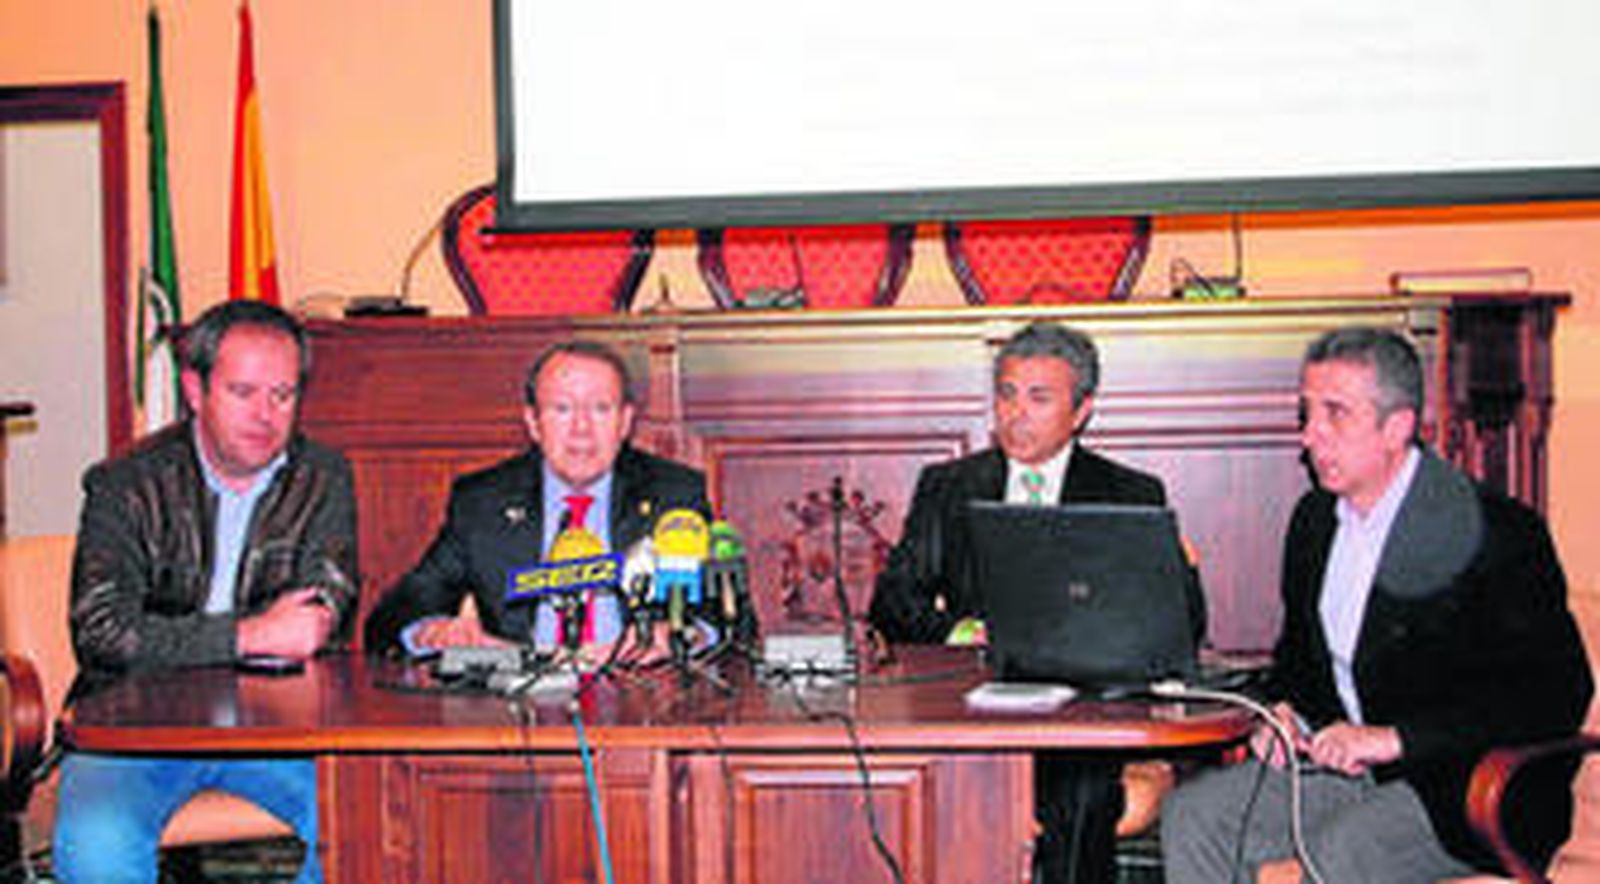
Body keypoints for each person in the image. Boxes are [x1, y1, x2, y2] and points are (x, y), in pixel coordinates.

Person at [1161, 326, 1593, 883]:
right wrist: (1284, 712)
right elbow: (1298, 663)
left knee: (1343, 851)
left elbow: (1554, 694)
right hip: (1341, 771)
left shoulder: (1497, 532)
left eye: (1335, 414)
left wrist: (1395, 740)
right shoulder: (1314, 523)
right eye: (1307, 413)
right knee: (1195, 816)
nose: (1309, 436)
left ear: (1398, 427)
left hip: (1461, 788)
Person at [869, 321, 1204, 884]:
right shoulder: (948, 485)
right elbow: (893, 602)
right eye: (1005, 394)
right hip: (972, 707)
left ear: (1082, 410)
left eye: (1038, 398)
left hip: (1083, 712)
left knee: (1080, 790)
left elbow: (1180, 623)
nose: (1015, 413)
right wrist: (959, 631)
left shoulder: (1130, 494)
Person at [55, 300, 358, 883]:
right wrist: (250, 634)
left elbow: (323, 615)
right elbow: (103, 633)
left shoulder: (324, 478)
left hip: (279, 726)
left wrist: (272, 633)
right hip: (135, 724)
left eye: (282, 395)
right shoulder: (126, 484)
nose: (265, 415)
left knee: (378, 822)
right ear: (195, 389)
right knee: (97, 845)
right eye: (243, 392)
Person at [364, 340, 708, 656]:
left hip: (641, 702)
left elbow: (729, 619)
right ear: (533, 422)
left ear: (625, 421)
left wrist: (681, 636)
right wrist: (433, 632)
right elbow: (396, 615)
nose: (582, 429)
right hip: (519, 703)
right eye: (562, 409)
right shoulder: (483, 502)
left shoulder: (673, 495)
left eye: (601, 409)